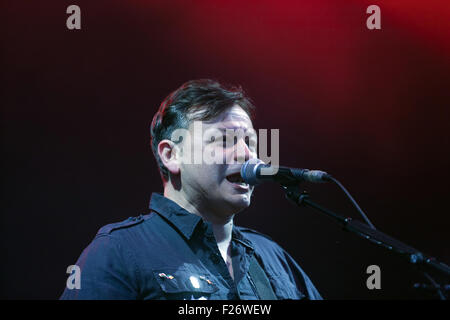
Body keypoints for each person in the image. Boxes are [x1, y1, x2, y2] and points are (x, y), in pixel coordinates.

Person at [60, 79, 322, 300]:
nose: (247, 155)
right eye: (225, 140)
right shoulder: (118, 251)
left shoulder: (272, 257)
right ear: (172, 155)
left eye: (250, 143)